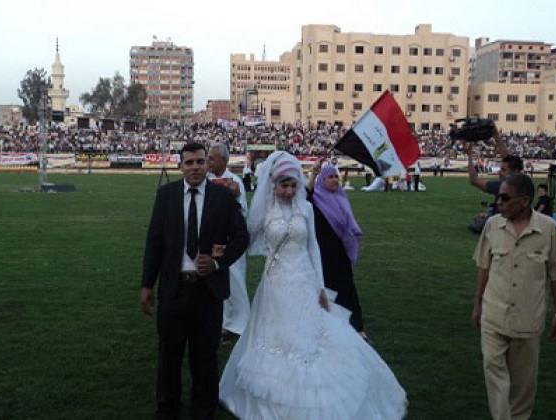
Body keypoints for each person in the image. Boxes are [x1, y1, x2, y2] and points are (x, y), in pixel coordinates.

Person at [219, 151, 407, 419]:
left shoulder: (305, 208)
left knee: (314, 333)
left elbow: (313, 247)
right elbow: (244, 239)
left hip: (305, 278)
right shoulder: (264, 211)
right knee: (278, 334)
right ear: (273, 184)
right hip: (275, 282)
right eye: (284, 186)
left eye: (293, 185)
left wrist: (319, 285)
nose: (289, 191)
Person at [140, 142, 249, 420]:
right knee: (169, 355)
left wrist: (217, 262)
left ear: (207, 164)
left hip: (207, 292)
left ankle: (203, 408)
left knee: (205, 356)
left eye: (200, 162)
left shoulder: (222, 197)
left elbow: (241, 237)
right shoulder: (166, 196)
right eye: (189, 163)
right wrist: (147, 284)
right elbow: (155, 242)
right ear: (181, 166)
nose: (195, 167)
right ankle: (168, 408)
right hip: (173, 290)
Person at [472, 173, 556, 420]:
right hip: (493, 315)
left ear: (525, 200)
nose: (499, 202)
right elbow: (483, 267)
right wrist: (477, 304)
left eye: (505, 198)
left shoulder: (548, 229)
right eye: (498, 197)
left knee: (523, 384)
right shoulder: (492, 225)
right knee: (493, 369)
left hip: (528, 319)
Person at [307, 159, 367, 338]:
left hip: (341, 251)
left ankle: (358, 326)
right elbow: (304, 195)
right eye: (330, 177)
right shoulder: (316, 199)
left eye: (336, 177)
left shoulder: (341, 197)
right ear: (323, 180)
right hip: (324, 253)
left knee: (347, 288)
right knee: (328, 289)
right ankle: (332, 327)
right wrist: (313, 174)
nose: (334, 180)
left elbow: (349, 223)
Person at [206, 143, 251, 343]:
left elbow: (243, 212)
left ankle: (236, 324)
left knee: (235, 282)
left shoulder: (235, 181)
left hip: (230, 242)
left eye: (212, 158)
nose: (208, 161)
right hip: (209, 239)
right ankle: (220, 322)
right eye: (208, 157)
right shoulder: (205, 180)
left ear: (224, 161)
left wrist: (236, 196)